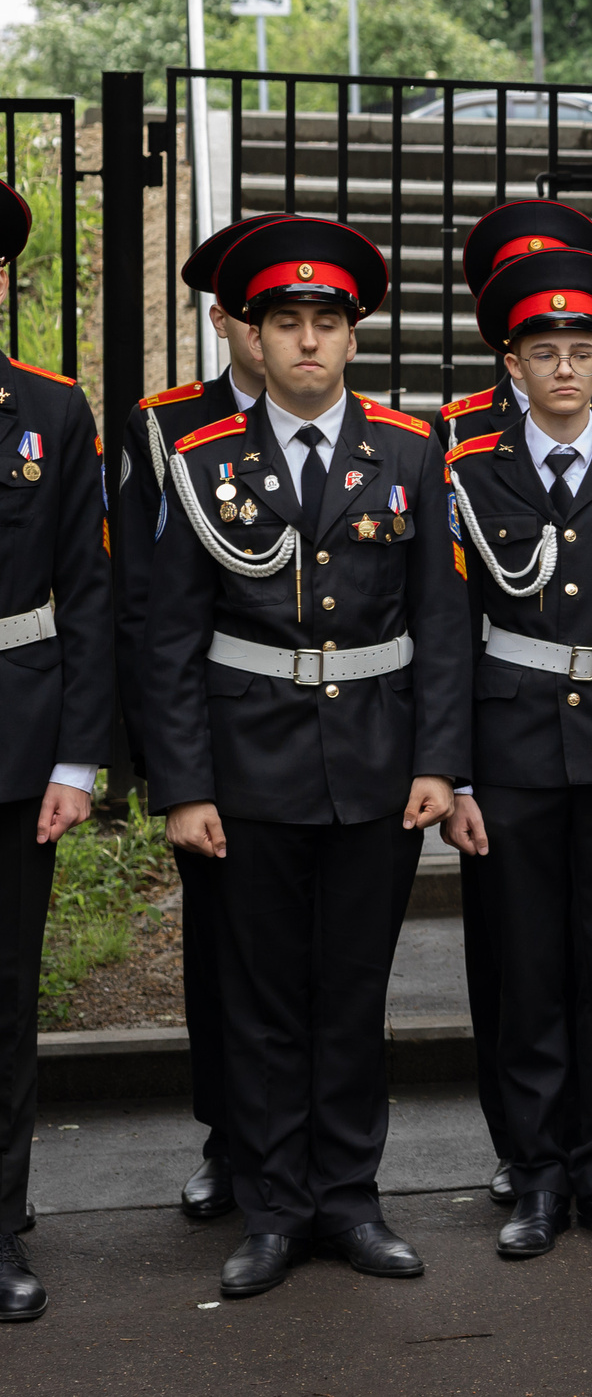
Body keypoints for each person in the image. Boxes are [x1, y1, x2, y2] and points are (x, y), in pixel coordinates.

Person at [148, 215, 469, 1297]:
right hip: (248, 773)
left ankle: (350, 1200)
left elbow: (441, 621)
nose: (307, 341)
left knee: (352, 995)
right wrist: (183, 785)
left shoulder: (409, 451)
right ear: (255, 334)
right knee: (262, 1003)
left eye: (325, 322)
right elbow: (171, 637)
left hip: (375, 766)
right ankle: (276, 1209)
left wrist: (439, 762)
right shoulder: (203, 459)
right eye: (285, 322)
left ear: (352, 335)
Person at [441, 242, 592, 1257]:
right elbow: (450, 633)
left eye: (582, 351)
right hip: (510, 756)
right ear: (513, 365)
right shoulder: (469, 472)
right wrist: (455, 774)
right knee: (529, 975)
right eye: (544, 352)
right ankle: (538, 1175)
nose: (565, 370)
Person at [114, 215, 284, 1226]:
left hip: (324, 734)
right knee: (222, 955)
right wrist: (165, 762)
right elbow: (142, 601)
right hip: (215, 735)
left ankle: (315, 1151)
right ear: (223, 319)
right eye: (253, 311)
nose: (274, 332)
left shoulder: (363, 430)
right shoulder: (166, 425)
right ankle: (230, 1139)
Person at [0, 176, 111, 1325]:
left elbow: (87, 588)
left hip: (14, 746)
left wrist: (79, 761)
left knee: (3, 999)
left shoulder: (51, 411)